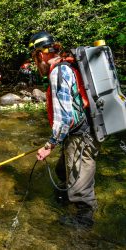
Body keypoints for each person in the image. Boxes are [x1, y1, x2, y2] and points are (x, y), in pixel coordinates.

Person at [29, 31, 99, 228]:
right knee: (62, 170)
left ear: (40, 54)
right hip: (84, 131)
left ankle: (84, 225)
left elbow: (64, 117)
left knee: (81, 189)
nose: (36, 64)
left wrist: (49, 145)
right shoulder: (68, 65)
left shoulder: (58, 72)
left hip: (80, 137)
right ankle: (65, 199)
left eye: (35, 58)